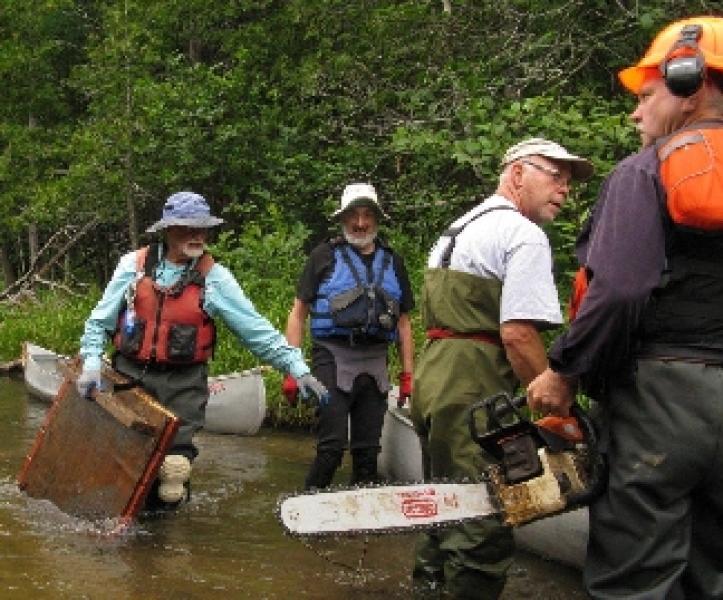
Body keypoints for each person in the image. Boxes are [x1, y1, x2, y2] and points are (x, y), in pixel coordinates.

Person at [527, 16, 723, 600]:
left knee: (633, 579)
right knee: (710, 575)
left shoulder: (643, 173)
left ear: (691, 84)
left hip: (661, 401)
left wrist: (564, 371)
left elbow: (621, 289)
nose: (636, 114)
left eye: (646, 95)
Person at [410, 138, 593, 599]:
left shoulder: (457, 229)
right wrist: (551, 402)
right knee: (483, 512)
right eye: (555, 176)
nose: (564, 188)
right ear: (517, 174)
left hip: (435, 377)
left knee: (442, 504)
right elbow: (517, 335)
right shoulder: (523, 234)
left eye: (568, 181)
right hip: (475, 383)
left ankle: (426, 589)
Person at [77, 191, 327, 509]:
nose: (197, 235)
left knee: (173, 471)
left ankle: (166, 541)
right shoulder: (133, 266)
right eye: (187, 228)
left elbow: (257, 331)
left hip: (184, 384)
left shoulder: (215, 278)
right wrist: (91, 363)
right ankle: (123, 530)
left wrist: (297, 368)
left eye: (202, 228)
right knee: (122, 461)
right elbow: (100, 321)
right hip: (129, 377)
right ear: (168, 230)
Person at [284, 182, 415, 489]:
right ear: (342, 218)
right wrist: (292, 368)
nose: (360, 223)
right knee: (331, 447)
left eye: (367, 215)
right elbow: (298, 312)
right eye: (353, 215)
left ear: (376, 218)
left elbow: (404, 322)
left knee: (368, 452)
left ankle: (360, 525)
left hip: (376, 360)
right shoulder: (323, 256)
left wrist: (409, 374)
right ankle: (305, 509)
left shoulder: (393, 261)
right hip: (332, 356)